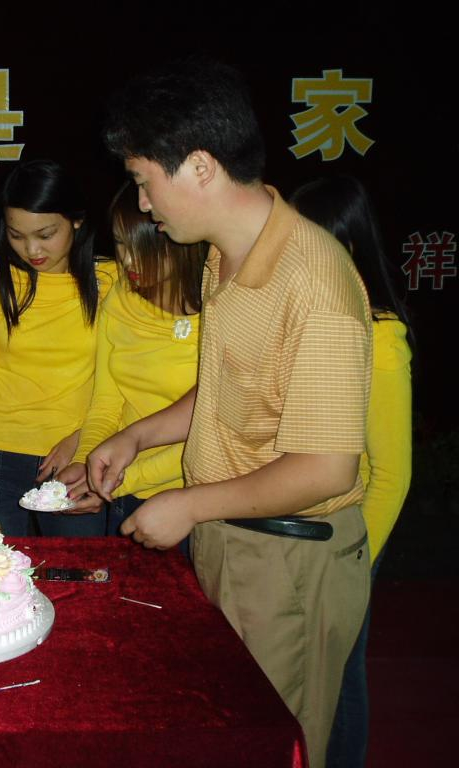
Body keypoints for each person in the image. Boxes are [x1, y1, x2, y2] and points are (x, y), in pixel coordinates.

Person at [89, 59, 372, 768]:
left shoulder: (314, 282)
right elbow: (227, 388)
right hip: (234, 539)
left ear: (201, 166)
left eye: (145, 181)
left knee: (273, 746)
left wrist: (187, 504)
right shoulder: (225, 256)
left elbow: (325, 468)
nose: (143, 204)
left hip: (287, 559)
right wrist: (138, 435)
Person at [291, 174, 413, 768]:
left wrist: (356, 563)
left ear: (349, 246)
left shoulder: (381, 337)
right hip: (310, 532)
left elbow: (392, 474)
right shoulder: (317, 316)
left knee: (340, 677)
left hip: (352, 537)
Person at [0, 158, 117, 536]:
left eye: (46, 234)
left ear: (77, 220)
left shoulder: (109, 280)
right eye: (16, 235)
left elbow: (116, 385)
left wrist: (84, 443)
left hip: (77, 460)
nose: (31, 249)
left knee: (78, 570)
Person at [57, 181, 207, 546]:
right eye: (121, 244)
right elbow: (107, 403)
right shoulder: (121, 299)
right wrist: (86, 463)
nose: (127, 261)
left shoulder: (219, 313)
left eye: (142, 249)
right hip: (123, 489)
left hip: (189, 499)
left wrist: (116, 480)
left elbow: (211, 428)